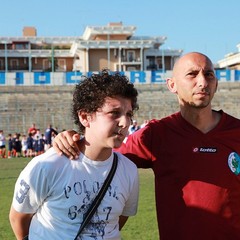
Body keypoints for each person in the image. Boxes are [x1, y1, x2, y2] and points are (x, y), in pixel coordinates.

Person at [52, 52, 240, 240]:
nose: (203, 82)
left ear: (216, 82)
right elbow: (102, 155)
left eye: (209, 74)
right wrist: (71, 137)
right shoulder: (156, 134)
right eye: (192, 74)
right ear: (172, 85)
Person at [9, 70, 139, 240]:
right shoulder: (47, 165)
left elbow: (116, 221)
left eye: (128, 114)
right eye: (114, 113)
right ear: (85, 116)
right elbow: (18, 219)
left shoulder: (129, 170)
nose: (125, 122)